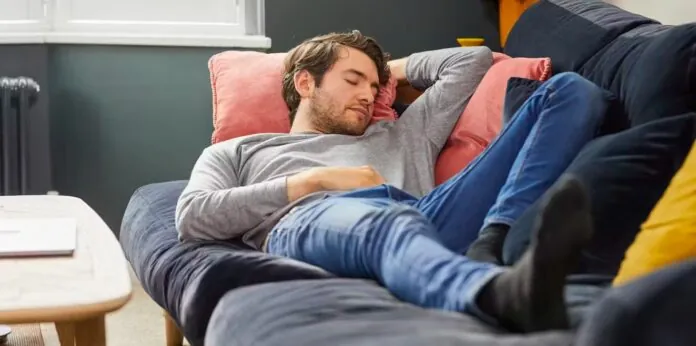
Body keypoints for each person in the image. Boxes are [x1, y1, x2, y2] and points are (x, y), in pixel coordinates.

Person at [175, 30, 609, 332]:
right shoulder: (240, 149)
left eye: (374, 84)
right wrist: (313, 181)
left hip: (427, 213)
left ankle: (491, 239)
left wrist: (388, 69)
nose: (368, 94)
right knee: (384, 221)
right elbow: (192, 217)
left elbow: (471, 60)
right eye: (352, 80)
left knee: (569, 90)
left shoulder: (405, 131)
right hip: (313, 219)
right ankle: (496, 294)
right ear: (305, 82)